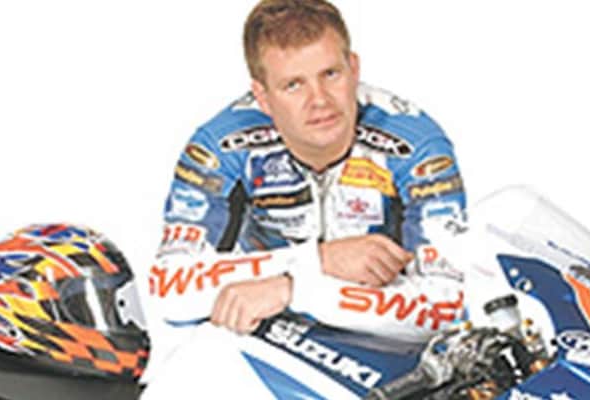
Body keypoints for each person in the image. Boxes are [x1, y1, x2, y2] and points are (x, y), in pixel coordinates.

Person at [143, 0, 466, 395]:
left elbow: (448, 307)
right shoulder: (222, 145)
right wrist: (320, 260)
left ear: (354, 69)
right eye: (293, 85)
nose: (320, 101)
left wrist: (296, 289)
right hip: (268, 337)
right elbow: (169, 291)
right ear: (262, 97)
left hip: (387, 347)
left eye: (331, 74)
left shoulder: (415, 146)